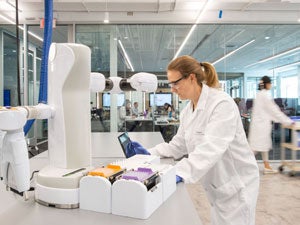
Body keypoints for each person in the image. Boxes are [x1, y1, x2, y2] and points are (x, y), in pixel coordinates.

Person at [127, 55, 259, 225]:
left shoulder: (221, 104)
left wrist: (178, 172)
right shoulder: (188, 110)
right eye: (171, 84)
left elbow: (211, 148)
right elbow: (178, 145)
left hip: (238, 186)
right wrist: (149, 153)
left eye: (175, 83)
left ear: (191, 78)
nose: (173, 89)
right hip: (218, 186)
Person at [248, 76, 294, 174]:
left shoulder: (260, 94)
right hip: (261, 126)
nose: (271, 85)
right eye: (270, 83)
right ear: (267, 84)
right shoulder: (265, 95)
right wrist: (287, 121)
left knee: (262, 147)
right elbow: (274, 110)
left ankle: (267, 166)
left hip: (259, 125)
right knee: (254, 149)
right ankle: (240, 167)